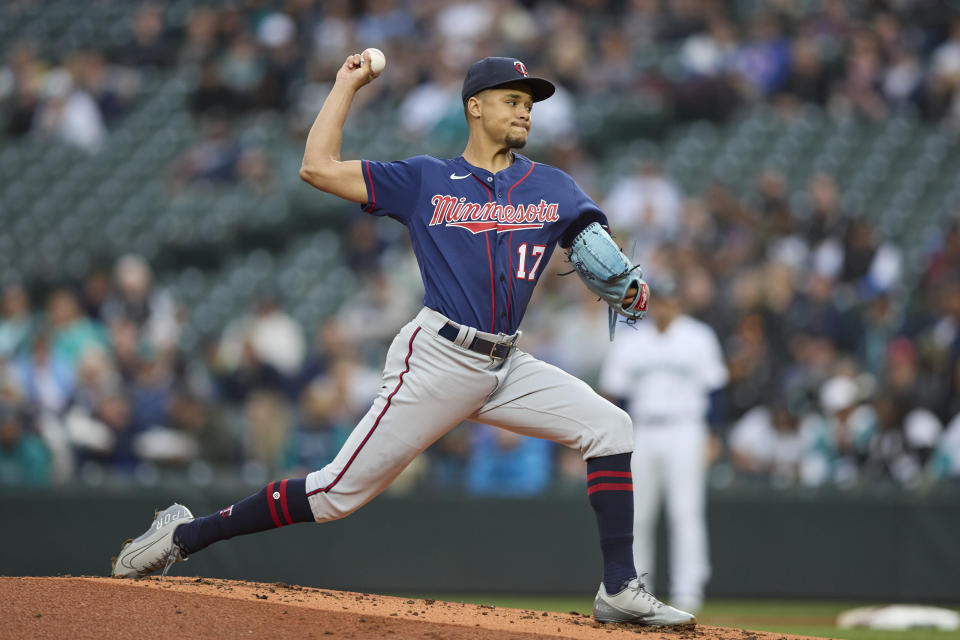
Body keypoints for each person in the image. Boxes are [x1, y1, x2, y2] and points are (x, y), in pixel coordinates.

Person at [111, 52, 695, 627]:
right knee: (335, 494)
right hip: (438, 358)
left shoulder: (553, 186)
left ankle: (619, 588)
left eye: (530, 104)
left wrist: (624, 278)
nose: (525, 112)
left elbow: (596, 243)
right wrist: (346, 84)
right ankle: (182, 536)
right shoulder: (425, 179)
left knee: (611, 427)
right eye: (513, 100)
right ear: (475, 106)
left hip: (506, 362)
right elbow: (315, 166)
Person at [599, 274, 728, 613]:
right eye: (661, 299)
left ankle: (689, 591)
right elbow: (617, 394)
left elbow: (715, 391)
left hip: (686, 428)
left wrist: (714, 435)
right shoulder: (631, 340)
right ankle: (639, 587)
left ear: (680, 302)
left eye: (672, 299)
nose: (666, 305)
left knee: (685, 511)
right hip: (641, 429)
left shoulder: (698, 336)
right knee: (638, 514)